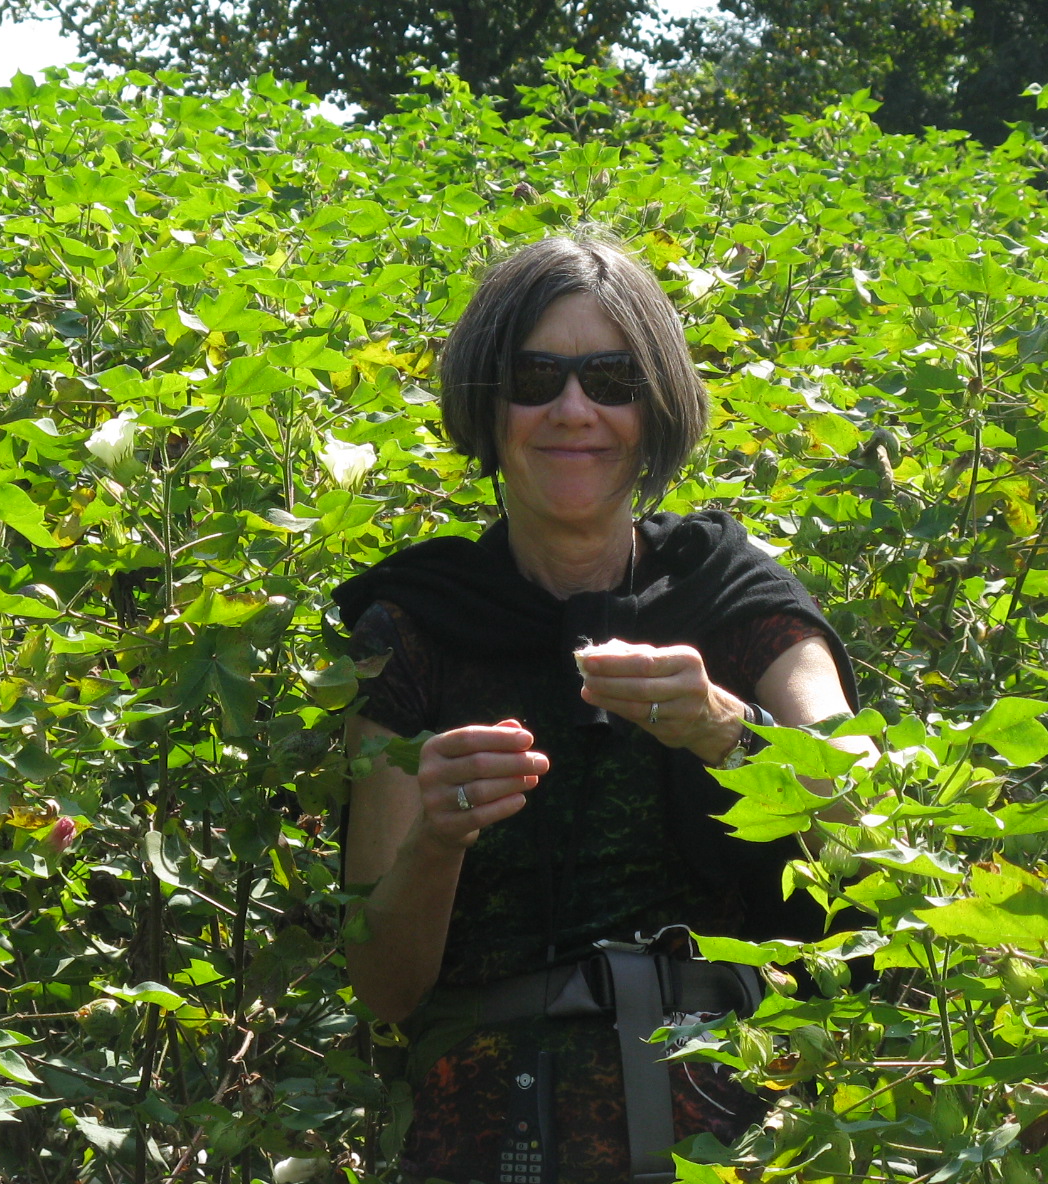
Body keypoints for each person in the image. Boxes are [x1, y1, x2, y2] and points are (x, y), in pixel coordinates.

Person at [335, 235, 856, 1184]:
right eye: (535, 378)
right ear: (488, 407)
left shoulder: (737, 598)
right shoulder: (415, 626)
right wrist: (438, 840)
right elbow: (385, 987)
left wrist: (729, 732)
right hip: (489, 1139)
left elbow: (873, 831)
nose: (574, 409)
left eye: (612, 379)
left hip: (738, 1131)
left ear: (655, 409)